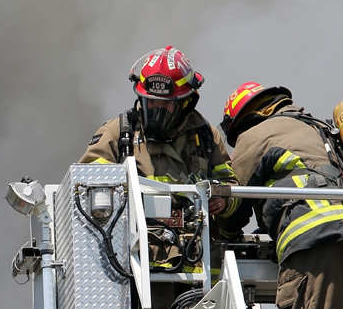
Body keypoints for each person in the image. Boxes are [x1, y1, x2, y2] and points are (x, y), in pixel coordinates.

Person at [78, 45, 243, 275]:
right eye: (151, 102)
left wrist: (223, 200)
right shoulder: (118, 133)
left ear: (186, 102)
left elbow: (231, 185)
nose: (156, 109)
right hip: (135, 262)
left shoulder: (206, 136)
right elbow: (87, 185)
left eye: (165, 103)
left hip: (198, 262)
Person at [219, 82, 343, 309]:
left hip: (314, 245)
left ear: (241, 122)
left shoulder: (255, 135)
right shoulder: (317, 129)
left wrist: (220, 235)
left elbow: (233, 206)